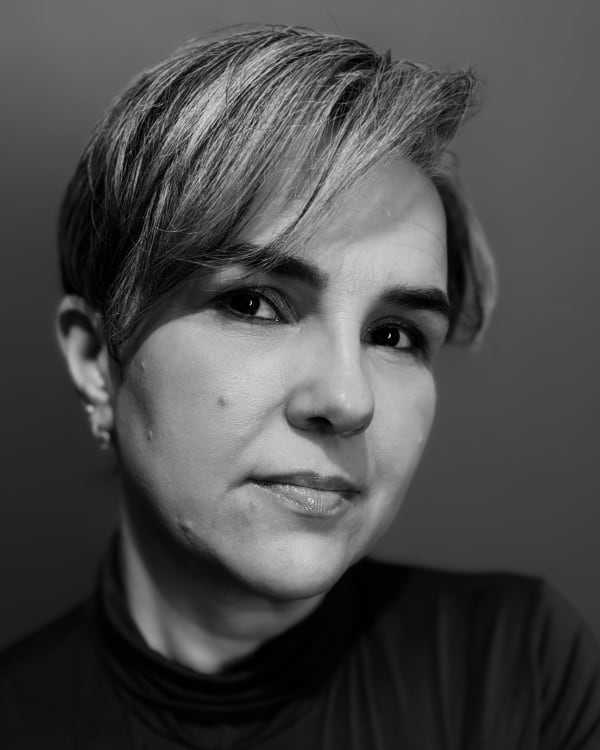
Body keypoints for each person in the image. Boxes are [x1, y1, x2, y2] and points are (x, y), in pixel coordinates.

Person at [1, 23, 599, 749]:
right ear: (98, 359)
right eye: (253, 303)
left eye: (394, 335)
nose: (348, 401)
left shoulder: (520, 677)